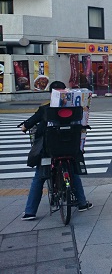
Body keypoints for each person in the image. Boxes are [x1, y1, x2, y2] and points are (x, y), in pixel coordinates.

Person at [19, 81, 92, 220]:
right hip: (71, 149)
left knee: (39, 177)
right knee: (74, 173)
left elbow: (30, 122)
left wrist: (24, 127)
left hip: (49, 151)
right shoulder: (77, 109)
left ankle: (30, 212)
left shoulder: (46, 108)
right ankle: (82, 203)